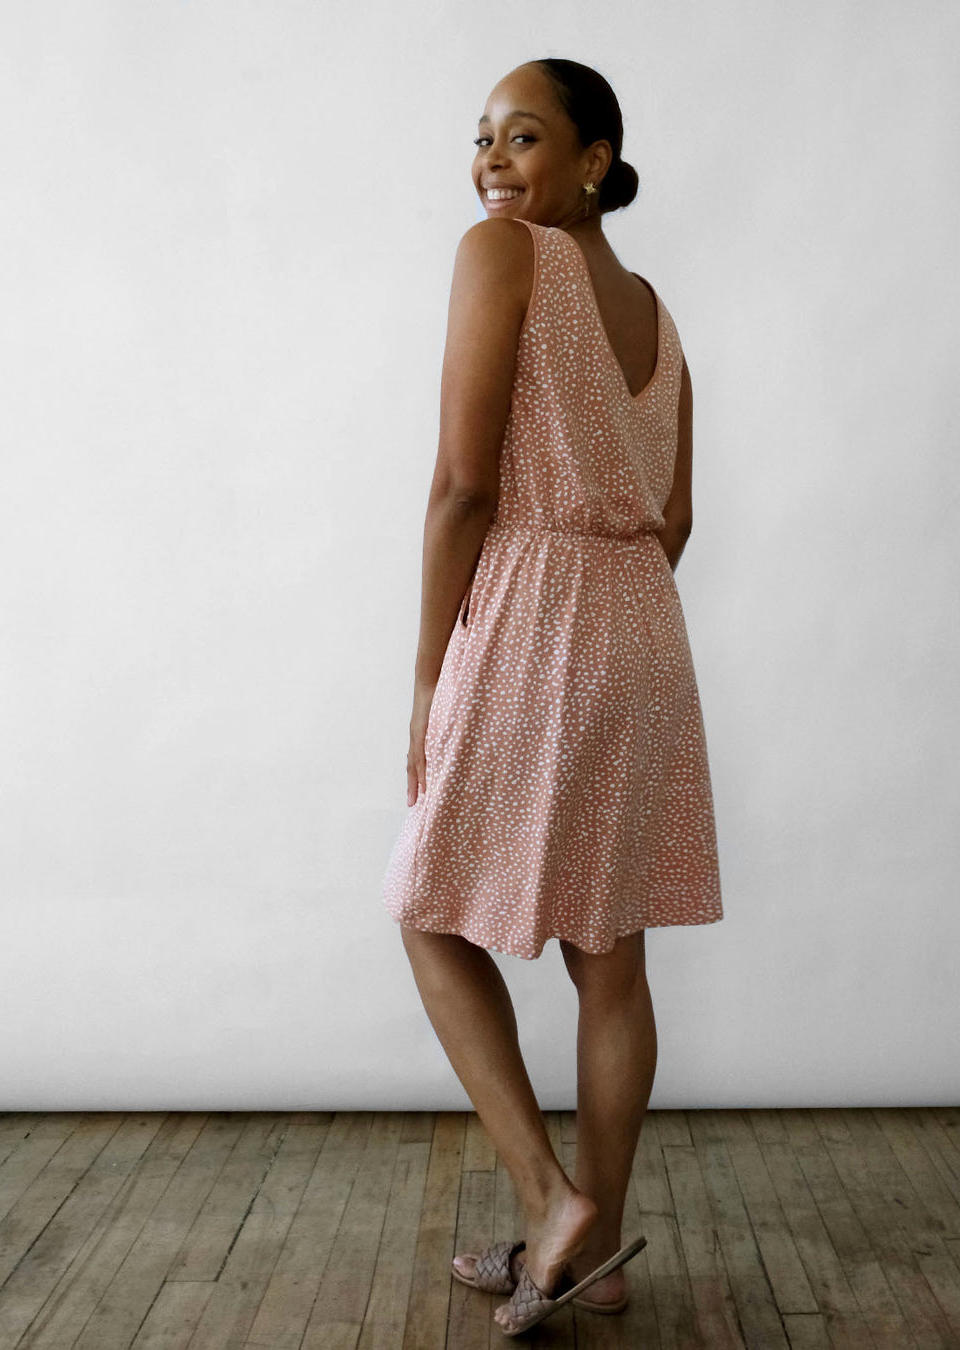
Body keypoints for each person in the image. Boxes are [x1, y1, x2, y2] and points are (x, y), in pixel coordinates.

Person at [381, 57, 723, 1336]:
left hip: (535, 613)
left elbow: (464, 485)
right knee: (611, 959)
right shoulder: (658, 317)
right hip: (645, 628)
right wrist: (611, 609)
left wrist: (431, 670)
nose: (491, 161)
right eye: (481, 138)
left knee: (427, 912)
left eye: (523, 137)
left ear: (594, 160)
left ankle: (549, 1199)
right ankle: (596, 1256)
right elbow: (673, 516)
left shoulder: (502, 255)